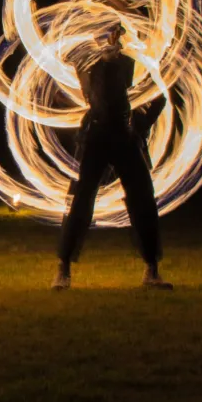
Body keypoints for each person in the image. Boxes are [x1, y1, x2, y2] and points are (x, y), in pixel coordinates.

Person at [53, 24, 172, 290]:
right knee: (81, 201)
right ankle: (63, 270)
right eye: (105, 35)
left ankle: (151, 270)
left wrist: (139, 125)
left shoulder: (133, 62)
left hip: (124, 137)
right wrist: (102, 62)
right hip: (95, 136)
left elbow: (160, 95)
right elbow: (87, 92)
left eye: (114, 34)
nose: (110, 40)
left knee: (142, 199)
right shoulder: (87, 63)